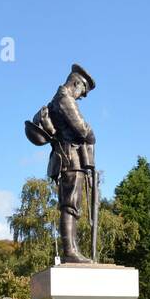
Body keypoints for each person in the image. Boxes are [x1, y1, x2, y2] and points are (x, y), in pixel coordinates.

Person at [46, 64, 96, 263]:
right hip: (70, 158)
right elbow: (83, 129)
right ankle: (70, 252)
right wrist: (92, 133)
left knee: (70, 205)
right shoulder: (65, 99)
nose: (81, 97)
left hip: (67, 157)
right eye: (82, 91)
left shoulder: (55, 100)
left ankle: (72, 249)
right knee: (70, 206)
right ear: (76, 83)